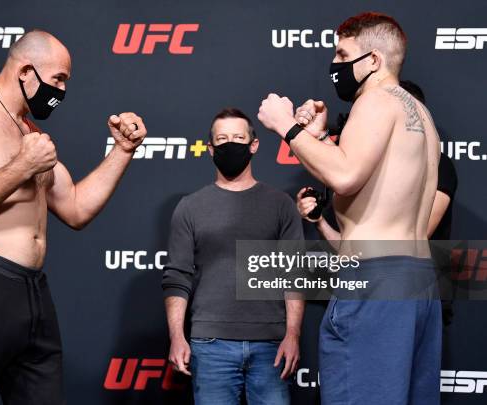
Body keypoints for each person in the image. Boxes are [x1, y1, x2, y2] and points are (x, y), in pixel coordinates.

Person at [0, 30, 147, 404]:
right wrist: (22, 166)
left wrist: (122, 150)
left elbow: (76, 209)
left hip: (31, 293)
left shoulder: (30, 132)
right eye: (58, 79)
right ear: (26, 71)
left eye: (66, 81)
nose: (61, 90)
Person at [257, 12, 441, 405]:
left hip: (374, 282)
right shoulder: (421, 115)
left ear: (373, 60)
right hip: (418, 280)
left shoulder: (374, 100)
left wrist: (285, 126)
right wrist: (320, 138)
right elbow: (372, 182)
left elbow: (345, 176)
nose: (336, 65)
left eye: (343, 54)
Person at [162, 108, 304, 405]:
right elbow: (177, 276)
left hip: (271, 345)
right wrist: (177, 336)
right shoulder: (190, 207)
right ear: (210, 149)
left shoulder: (280, 205)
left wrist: (293, 335)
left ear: (254, 145)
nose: (231, 145)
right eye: (222, 139)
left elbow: (294, 274)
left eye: (238, 138)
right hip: (210, 344)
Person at [296, 79, 458, 324]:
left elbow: (411, 237)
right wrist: (320, 223)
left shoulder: (438, 164)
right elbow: (354, 247)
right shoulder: (368, 170)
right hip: (363, 291)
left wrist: (290, 130)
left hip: (406, 293)